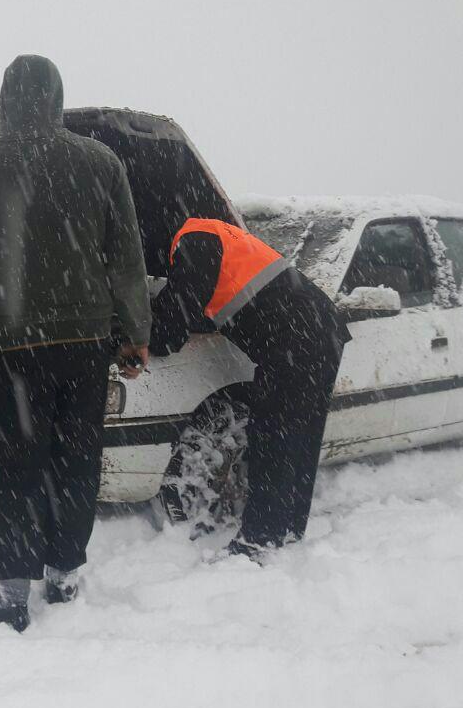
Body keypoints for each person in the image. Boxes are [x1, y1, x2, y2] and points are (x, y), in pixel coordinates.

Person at [0, 55, 150, 632]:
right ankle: (65, 574)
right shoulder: (101, 162)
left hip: (17, 348)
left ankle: (13, 595)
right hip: (87, 342)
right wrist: (135, 334)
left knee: (20, 466)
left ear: (4, 97)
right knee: (77, 461)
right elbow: (126, 260)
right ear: (56, 97)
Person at [148, 217, 350, 558]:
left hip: (295, 338)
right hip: (321, 328)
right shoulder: (214, 235)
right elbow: (185, 296)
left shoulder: (192, 243)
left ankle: (259, 538)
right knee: (300, 437)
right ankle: (288, 529)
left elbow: (174, 320)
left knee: (275, 435)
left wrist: (139, 339)